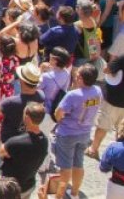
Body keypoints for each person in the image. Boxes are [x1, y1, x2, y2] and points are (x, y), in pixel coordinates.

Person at [87, 31, 124, 159]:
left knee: (103, 125)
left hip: (114, 98)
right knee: (122, 130)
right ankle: (119, 155)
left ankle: (93, 149)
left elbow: (107, 69)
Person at [52, 63, 102, 199]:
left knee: (65, 166)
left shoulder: (73, 95)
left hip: (68, 133)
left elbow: (58, 112)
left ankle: (59, 195)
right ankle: (74, 193)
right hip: (85, 133)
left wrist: (59, 121)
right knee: (78, 163)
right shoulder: (97, 91)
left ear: (80, 78)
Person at [0, 102, 48, 198]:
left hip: (11, 190)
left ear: (27, 118)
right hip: (28, 186)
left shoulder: (16, 142)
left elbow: (1, 152)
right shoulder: (44, 140)